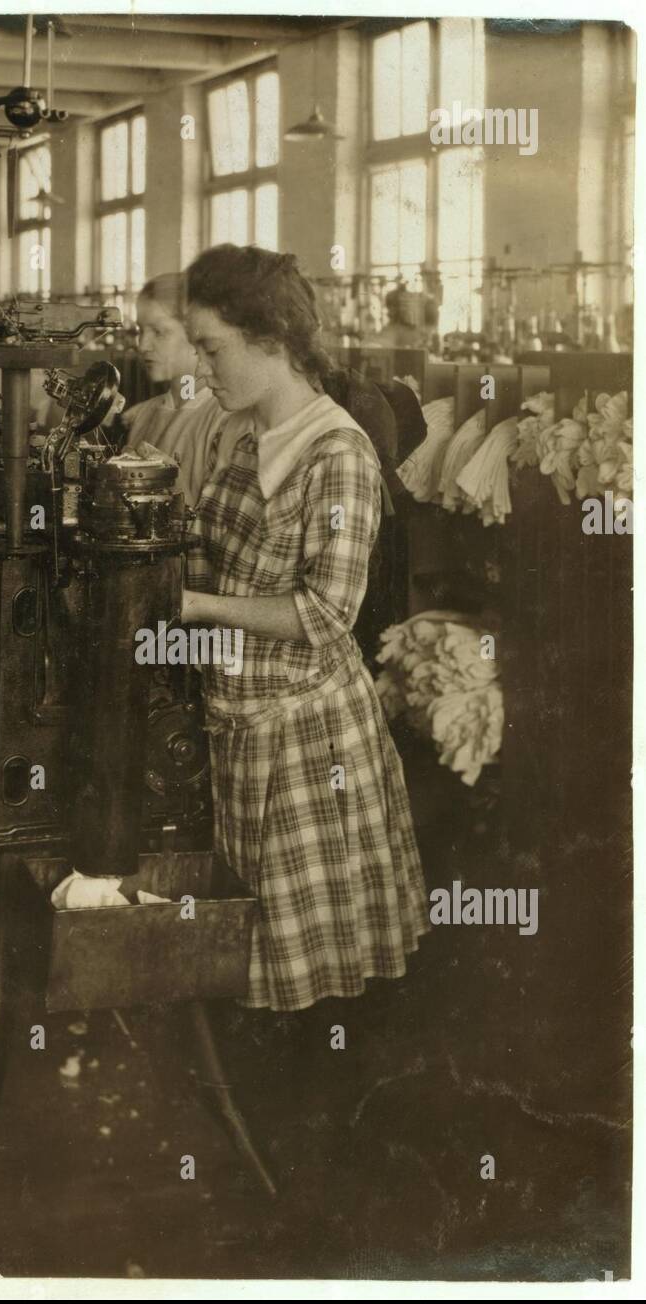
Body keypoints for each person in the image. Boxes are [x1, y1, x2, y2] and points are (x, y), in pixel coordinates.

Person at [181, 244, 428, 1013]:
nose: (202, 367)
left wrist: (193, 608)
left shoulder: (337, 454)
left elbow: (325, 613)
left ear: (272, 343)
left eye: (211, 348)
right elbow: (219, 547)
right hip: (241, 718)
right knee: (248, 943)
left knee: (308, 968)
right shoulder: (247, 433)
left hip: (307, 741)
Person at [121, 273, 227, 506]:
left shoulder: (223, 418)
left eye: (159, 332)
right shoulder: (143, 415)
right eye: (141, 331)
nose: (143, 345)